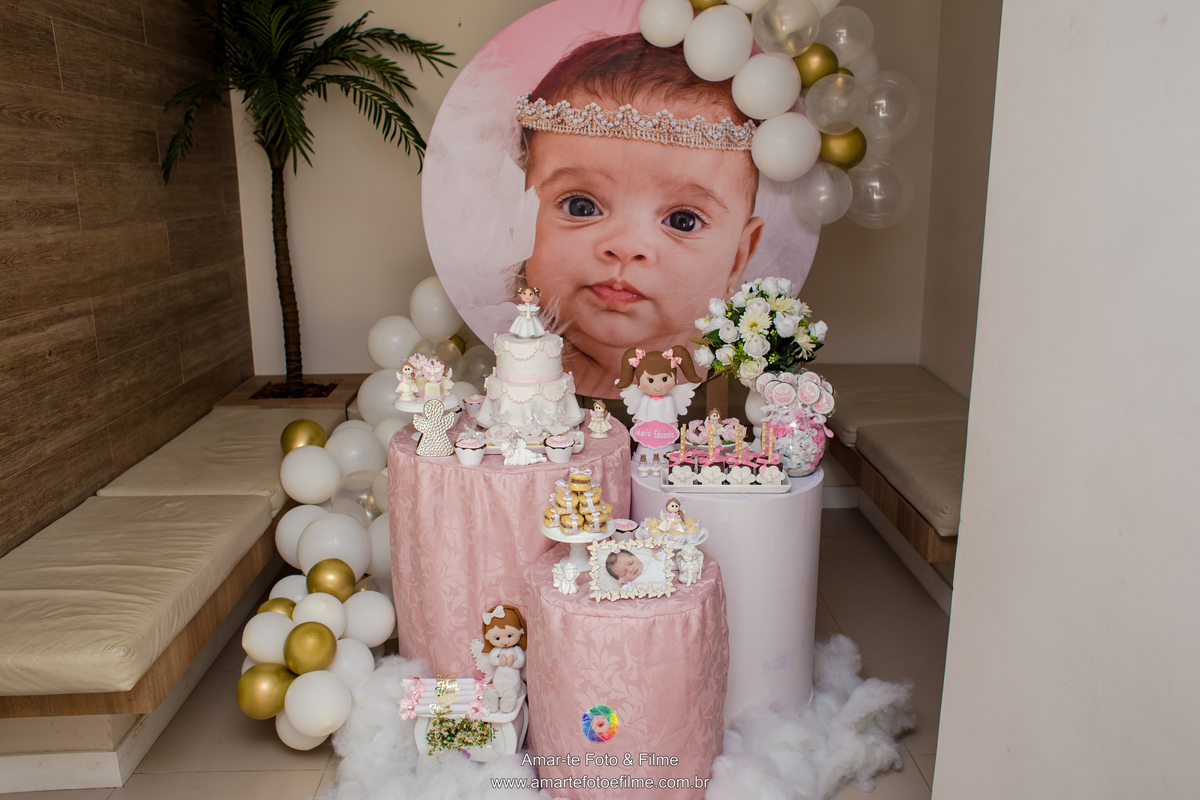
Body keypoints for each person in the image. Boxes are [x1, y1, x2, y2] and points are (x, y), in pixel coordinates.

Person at [517, 33, 764, 397]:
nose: (626, 246)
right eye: (581, 207)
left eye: (683, 220)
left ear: (739, 258)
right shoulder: (508, 360)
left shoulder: (740, 386)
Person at [617, 345, 701, 426]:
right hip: (647, 428)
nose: (657, 386)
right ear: (639, 384)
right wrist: (639, 421)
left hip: (665, 428)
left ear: (675, 380)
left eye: (664, 379)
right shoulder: (645, 398)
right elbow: (641, 412)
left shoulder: (669, 399)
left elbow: (670, 413)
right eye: (650, 380)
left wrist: (672, 422)